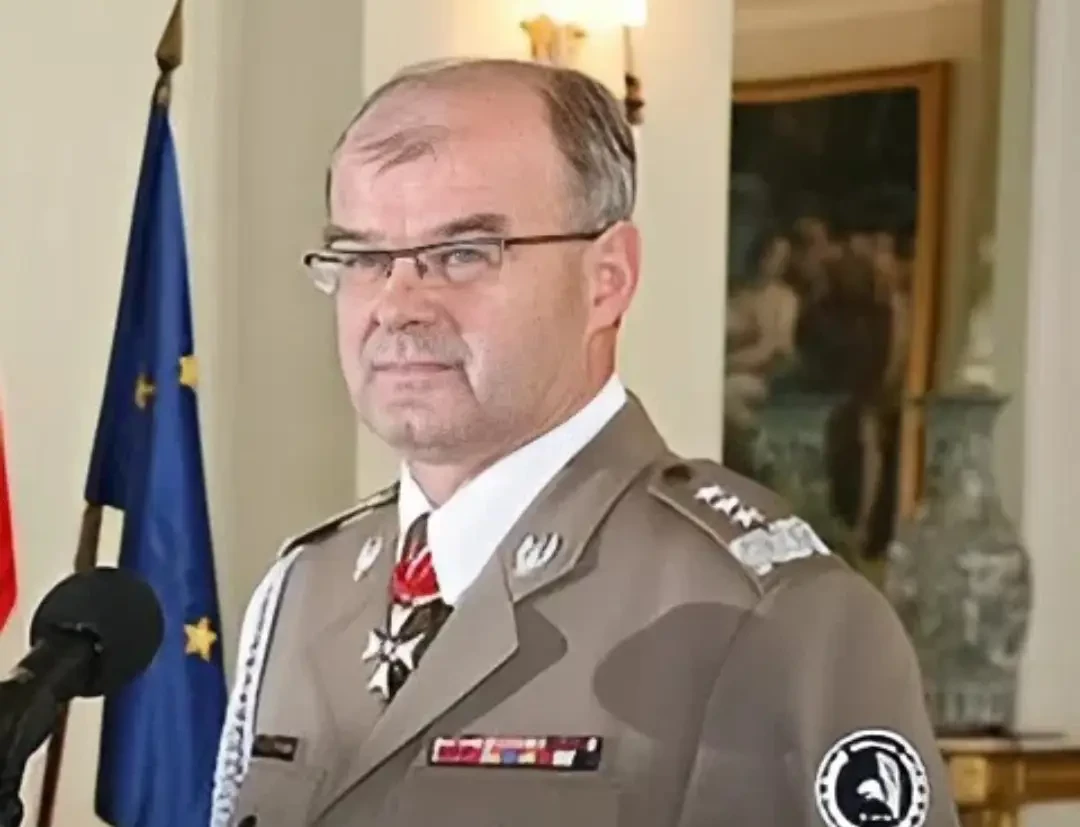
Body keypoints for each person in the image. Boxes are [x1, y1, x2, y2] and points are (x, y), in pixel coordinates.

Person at [210, 58, 959, 827]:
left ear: (607, 279)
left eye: (464, 253)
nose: (397, 306)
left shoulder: (768, 614)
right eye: (363, 258)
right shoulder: (304, 592)